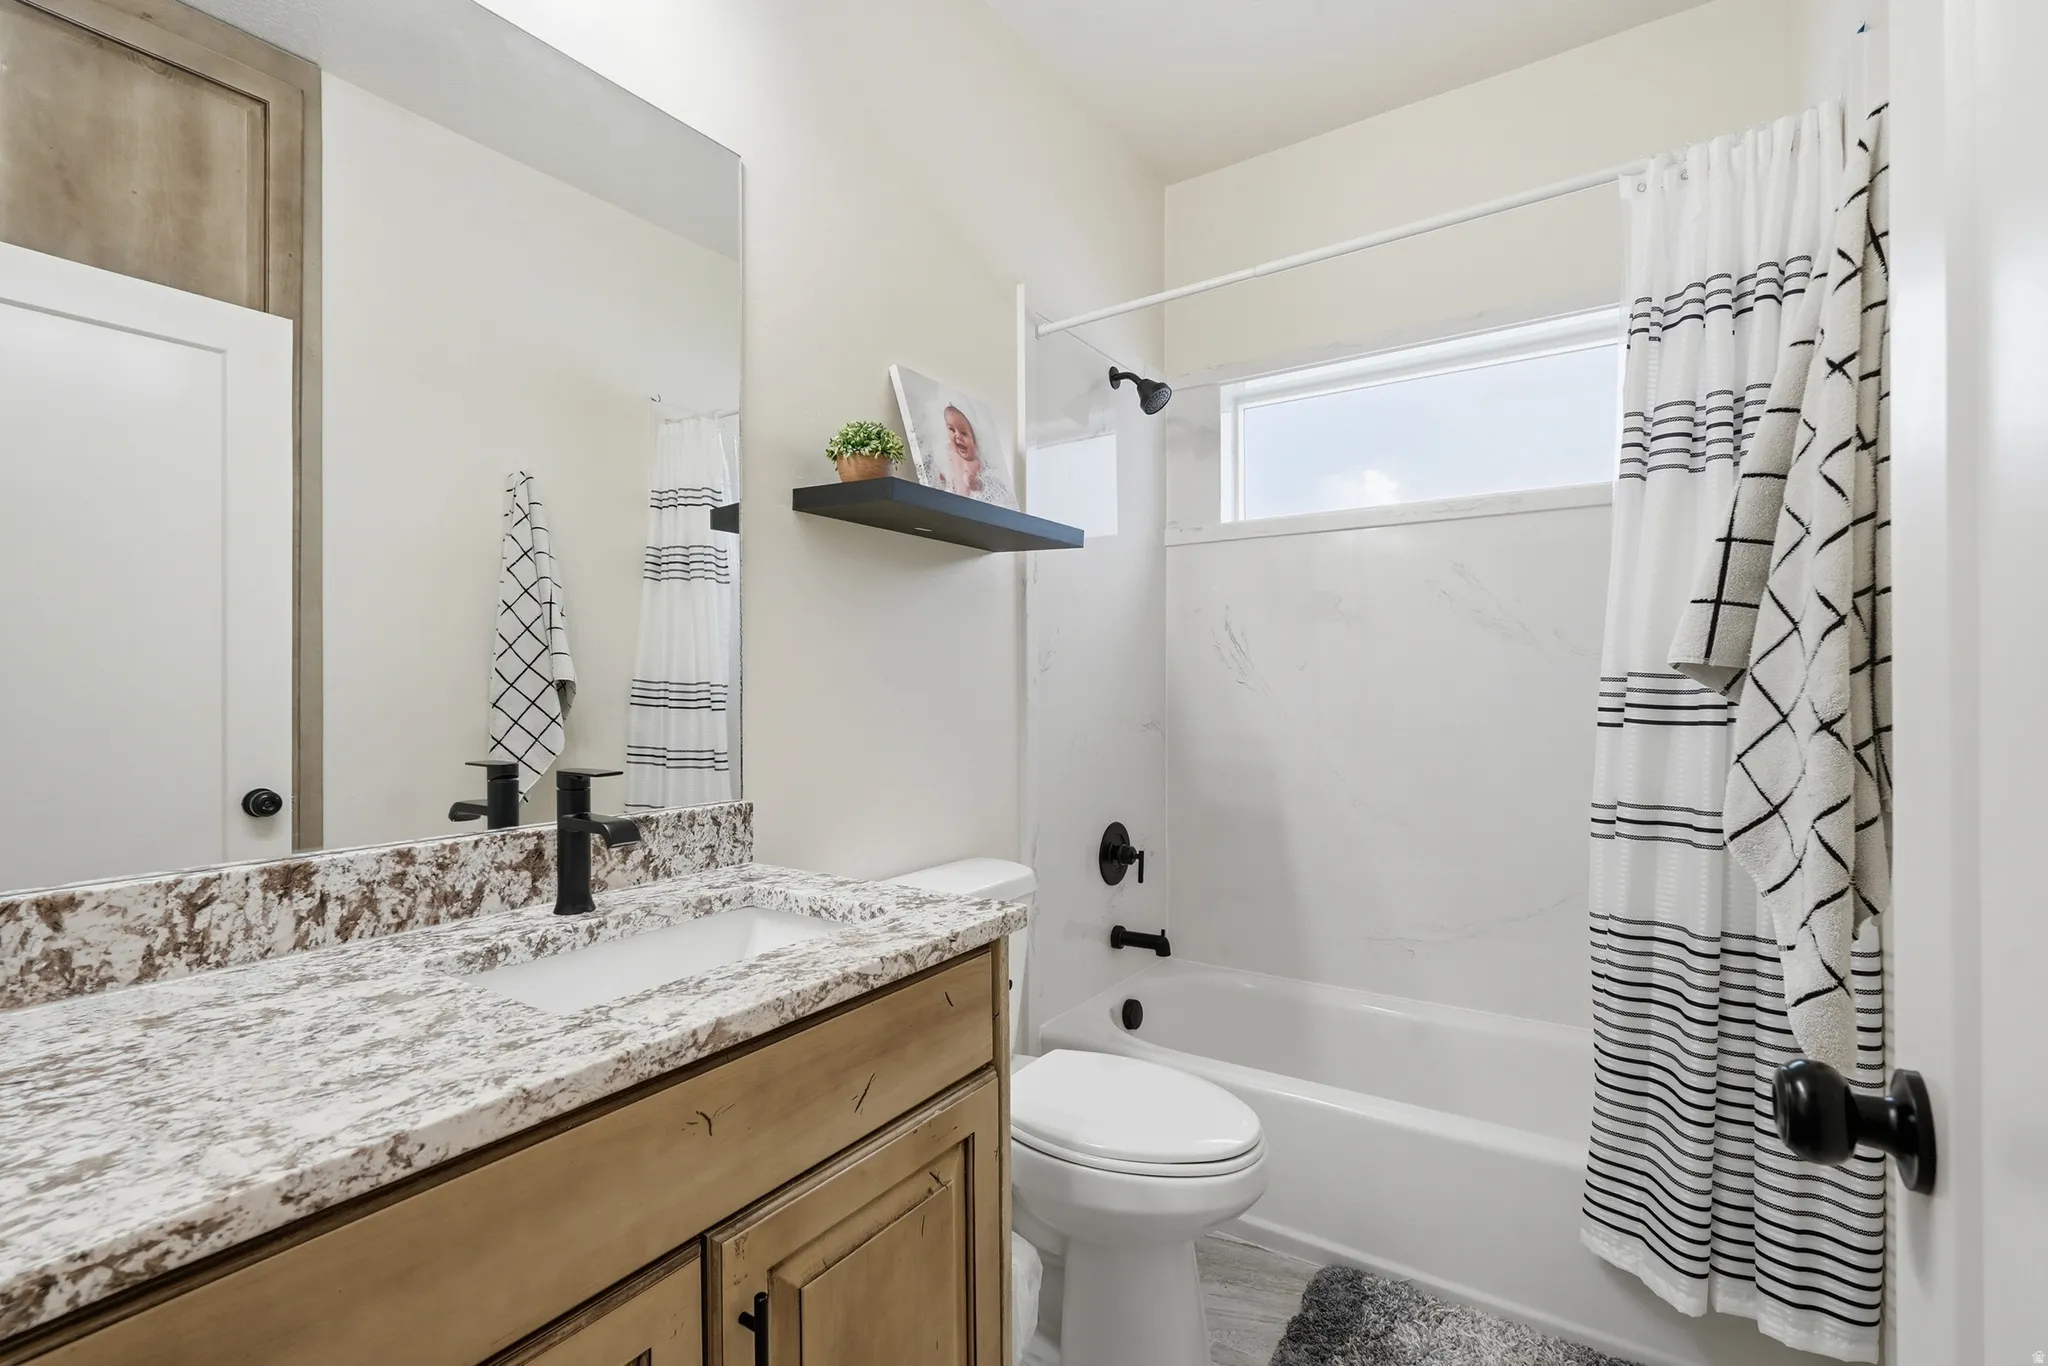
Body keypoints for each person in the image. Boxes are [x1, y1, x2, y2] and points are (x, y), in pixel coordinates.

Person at [939, 404, 1014, 507]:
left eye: (964, 433)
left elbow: (985, 482)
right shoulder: (951, 453)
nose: (958, 436)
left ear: (975, 440)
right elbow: (949, 471)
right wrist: (944, 476)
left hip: (966, 502)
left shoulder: (975, 462)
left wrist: (975, 483)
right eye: (952, 430)